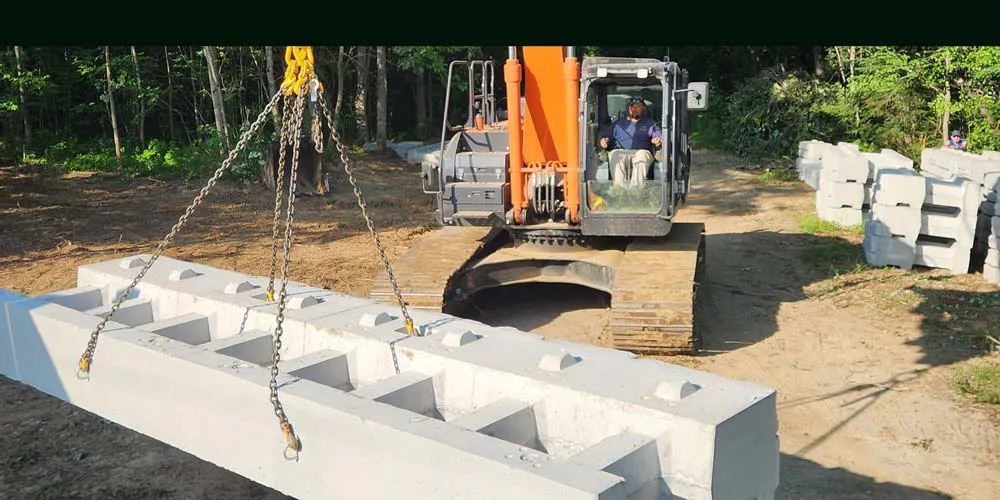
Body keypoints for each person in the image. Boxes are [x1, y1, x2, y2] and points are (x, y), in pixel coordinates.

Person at [598, 97, 663, 188]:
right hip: (621, 152)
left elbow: (659, 139)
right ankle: (619, 190)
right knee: (615, 155)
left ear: (643, 108)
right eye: (632, 107)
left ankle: (635, 190)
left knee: (642, 155)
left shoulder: (651, 124)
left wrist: (658, 141)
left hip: (641, 151)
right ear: (628, 108)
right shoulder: (618, 123)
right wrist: (603, 141)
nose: (635, 109)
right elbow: (606, 138)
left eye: (638, 107)